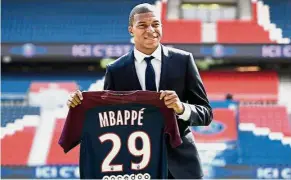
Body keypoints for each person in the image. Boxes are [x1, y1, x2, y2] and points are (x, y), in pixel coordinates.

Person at [67, 3, 213, 179]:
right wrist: (79, 105)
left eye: (155, 24)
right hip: (137, 166)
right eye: (142, 25)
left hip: (181, 166)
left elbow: (206, 114)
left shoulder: (183, 61)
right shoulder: (116, 70)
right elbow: (107, 119)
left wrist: (181, 108)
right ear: (131, 30)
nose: (151, 30)